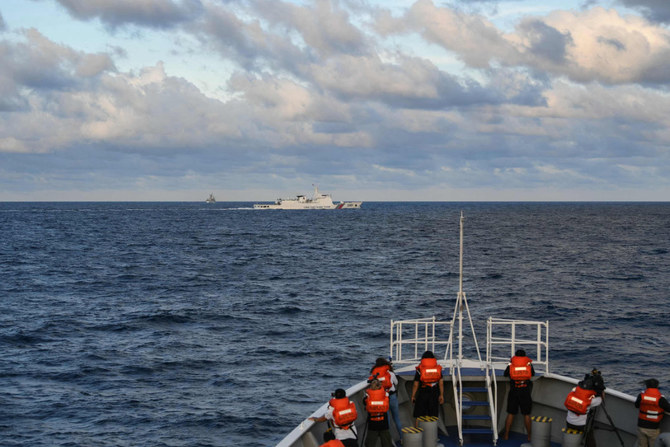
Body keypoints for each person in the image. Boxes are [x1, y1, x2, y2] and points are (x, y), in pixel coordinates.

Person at [564, 370, 604, 447]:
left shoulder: (574, 391)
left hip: (569, 422)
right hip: (581, 426)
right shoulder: (591, 401)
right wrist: (599, 390)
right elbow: (600, 400)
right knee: (590, 433)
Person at [502, 349, 535, 440]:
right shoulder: (528, 364)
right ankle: (529, 436)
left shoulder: (511, 364)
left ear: (515, 356)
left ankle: (506, 435)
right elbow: (532, 373)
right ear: (525, 356)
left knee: (511, 413)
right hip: (525, 390)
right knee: (527, 414)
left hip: (514, 390)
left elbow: (505, 374)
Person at [368, 357, 402, 435]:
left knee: (387, 420)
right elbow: (396, 383)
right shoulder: (391, 373)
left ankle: (390, 440)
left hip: (382, 398)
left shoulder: (375, 375)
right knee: (396, 419)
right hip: (392, 396)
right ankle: (402, 438)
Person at [410, 351, 444, 426]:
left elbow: (416, 384)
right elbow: (441, 383)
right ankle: (432, 433)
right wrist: (441, 395)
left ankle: (417, 432)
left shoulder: (420, 369)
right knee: (433, 414)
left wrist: (413, 395)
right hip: (434, 391)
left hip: (423, 391)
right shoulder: (437, 368)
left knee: (419, 414)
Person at [634, 378, 670, 447]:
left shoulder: (641, 396)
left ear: (647, 386)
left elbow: (636, 405)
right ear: (657, 386)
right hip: (653, 429)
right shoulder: (660, 399)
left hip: (641, 427)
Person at [363, 379, 393, 447]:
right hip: (383, 422)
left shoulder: (367, 395)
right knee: (386, 443)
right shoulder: (385, 395)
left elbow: (364, 403)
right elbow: (388, 402)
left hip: (372, 423)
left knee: (370, 443)